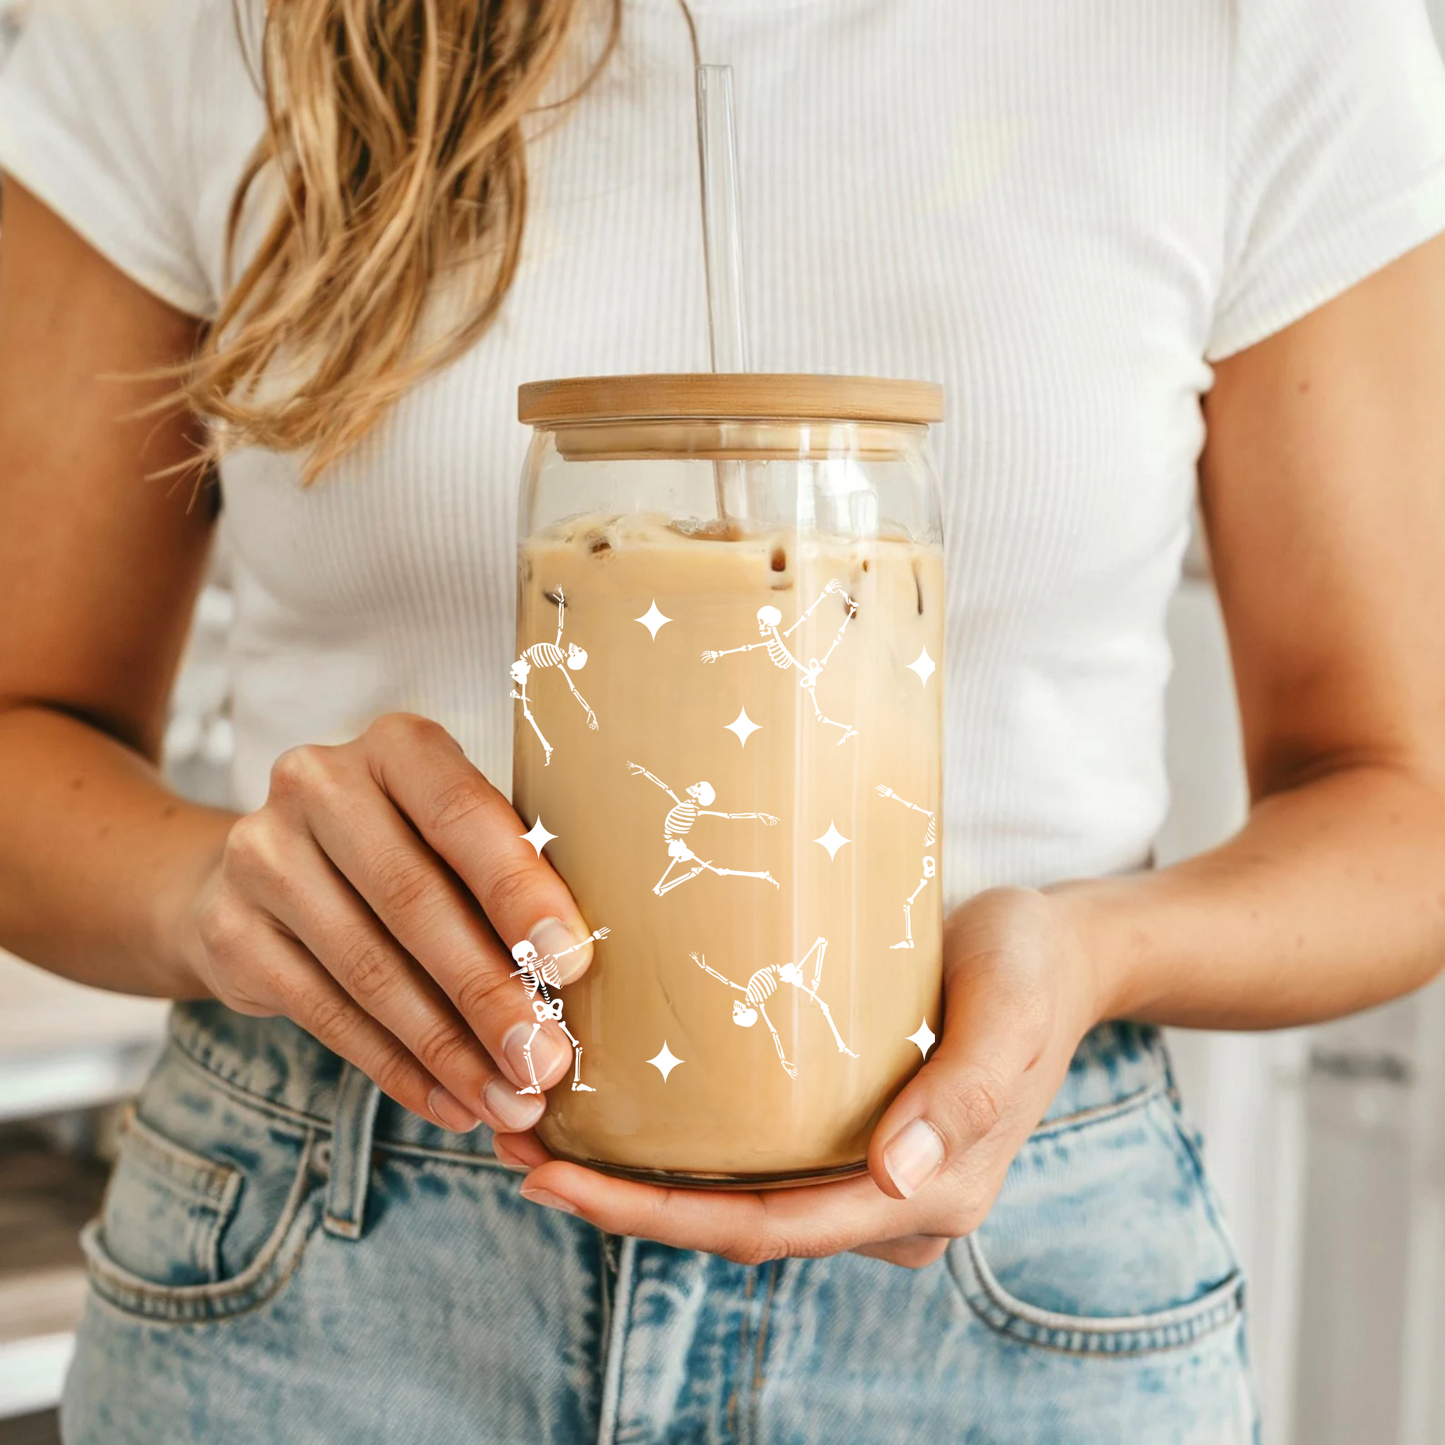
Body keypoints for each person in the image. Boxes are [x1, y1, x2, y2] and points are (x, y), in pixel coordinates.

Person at [2, 0, 1445, 1439]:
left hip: (1010, 1272)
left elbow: (1405, 798)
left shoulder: (1258, 29)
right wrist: (218, 894)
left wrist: (1087, 953)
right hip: (340, 1255)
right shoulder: (196, 24)